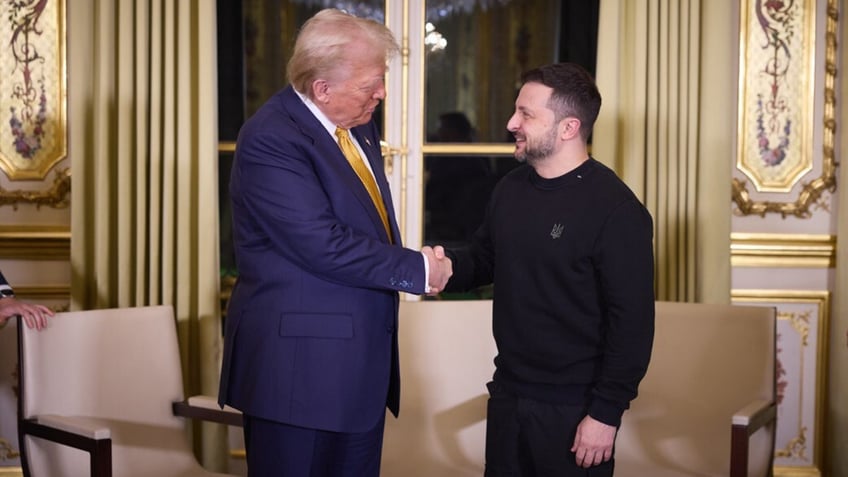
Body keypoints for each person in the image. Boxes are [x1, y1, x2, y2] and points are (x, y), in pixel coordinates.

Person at [217, 8, 452, 477]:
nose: (381, 94)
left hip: (357, 373)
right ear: (322, 89)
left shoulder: (356, 123)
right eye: (371, 84)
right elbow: (320, 242)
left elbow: (364, 224)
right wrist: (418, 270)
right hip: (298, 375)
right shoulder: (270, 138)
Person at [443, 62, 655, 476]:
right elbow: (485, 259)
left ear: (568, 128)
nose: (511, 123)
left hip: (577, 410)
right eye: (516, 110)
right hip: (508, 394)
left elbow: (632, 326)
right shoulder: (510, 189)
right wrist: (440, 266)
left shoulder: (617, 211)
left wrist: (605, 414)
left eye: (526, 114)